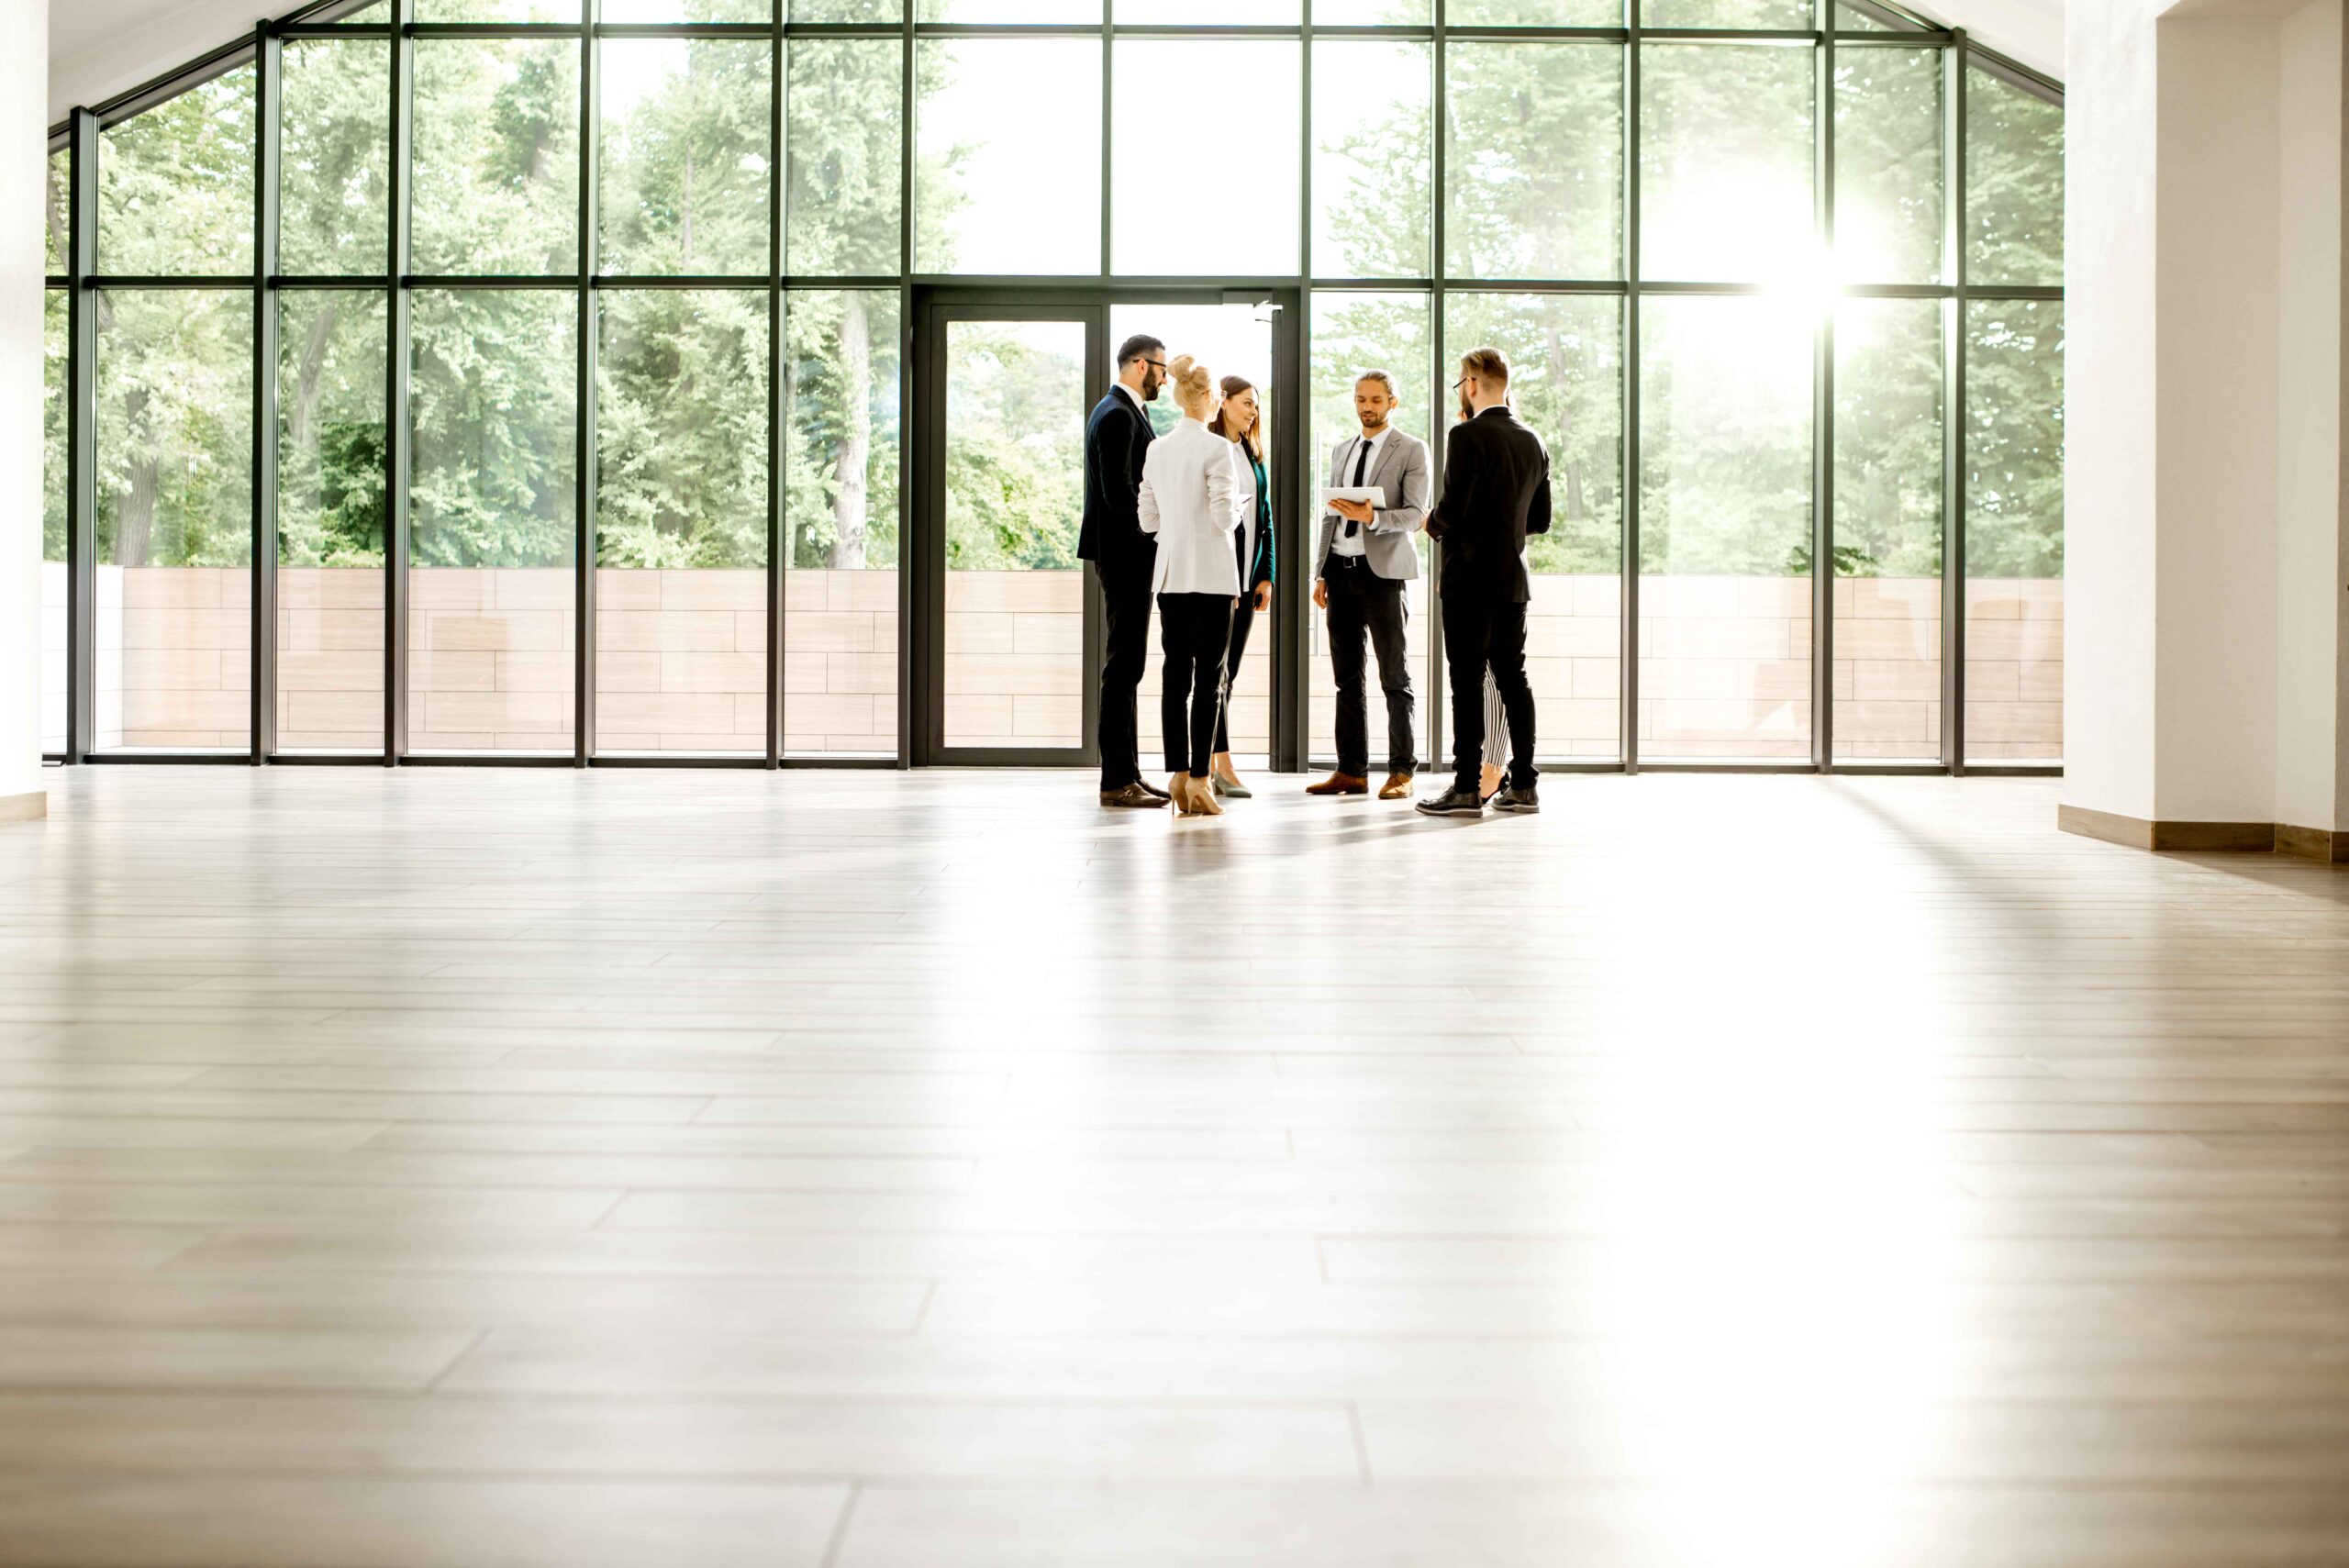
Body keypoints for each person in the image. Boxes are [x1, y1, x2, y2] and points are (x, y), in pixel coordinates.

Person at [1419, 346, 1550, 818]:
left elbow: (1451, 512)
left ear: (1472, 384)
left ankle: (1466, 788)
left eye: (1461, 383)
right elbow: (1540, 520)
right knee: (1514, 679)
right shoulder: (1533, 440)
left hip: (1468, 579)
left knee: (1466, 681)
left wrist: (1429, 522)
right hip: (1512, 579)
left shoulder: (1466, 435)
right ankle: (1525, 785)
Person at [1307, 370, 1430, 800]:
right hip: (1340, 571)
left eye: (1375, 400)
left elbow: (1416, 514)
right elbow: (1329, 513)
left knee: (1394, 677)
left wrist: (1372, 517)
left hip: (1384, 575)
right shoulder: (1343, 448)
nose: (1366, 407)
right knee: (1347, 680)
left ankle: (1402, 772)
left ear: (1392, 403)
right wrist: (1320, 572)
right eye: (1361, 398)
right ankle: (1351, 771)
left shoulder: (1412, 449)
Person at [1137, 356, 1244, 817]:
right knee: (1210, 682)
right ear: (1208, 399)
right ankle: (1201, 778)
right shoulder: (1218, 449)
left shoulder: (1157, 449)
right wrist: (1237, 506)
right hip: (1214, 577)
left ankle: (1177, 773)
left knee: (1174, 678)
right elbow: (1225, 518)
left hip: (1171, 576)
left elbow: (1147, 520)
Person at [1080, 333, 1171, 808]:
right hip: (1124, 554)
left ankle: (1128, 773)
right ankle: (1116, 780)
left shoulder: (1121, 409)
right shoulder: (1117, 414)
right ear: (1140, 364)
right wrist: (1157, 532)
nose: (1164, 376)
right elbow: (1121, 496)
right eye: (1161, 367)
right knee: (1123, 667)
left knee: (1128, 665)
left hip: (1123, 554)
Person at [1206, 375, 1274, 799]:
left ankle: (1215, 762)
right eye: (1246, 403)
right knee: (1216, 673)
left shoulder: (1252, 453)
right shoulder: (1212, 450)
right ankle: (1221, 764)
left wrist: (1265, 574)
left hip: (1248, 579)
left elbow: (1264, 517)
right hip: (1218, 578)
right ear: (1223, 403)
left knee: (1230, 673)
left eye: (1255, 405)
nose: (1252, 411)